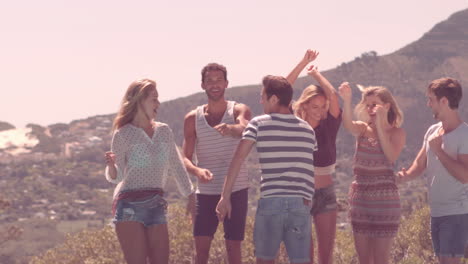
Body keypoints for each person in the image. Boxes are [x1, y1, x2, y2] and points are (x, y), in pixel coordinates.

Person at [216, 75, 318, 264]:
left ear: (274, 99)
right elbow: (308, 169)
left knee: (265, 260)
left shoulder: (258, 123)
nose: (260, 100)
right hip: (300, 204)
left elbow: (238, 159)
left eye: (263, 96)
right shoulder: (308, 130)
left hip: (271, 201)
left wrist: (225, 196)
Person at [104, 79, 194, 264]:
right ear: (139, 101)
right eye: (154, 99)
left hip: (156, 205)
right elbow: (117, 177)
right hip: (128, 206)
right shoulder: (123, 134)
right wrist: (112, 167)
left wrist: (191, 196)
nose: (158, 104)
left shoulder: (164, 131)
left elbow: (177, 165)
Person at [182, 63, 252, 264]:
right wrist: (197, 171)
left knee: (233, 248)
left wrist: (232, 129)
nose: (214, 84)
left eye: (219, 80)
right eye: (210, 80)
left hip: (237, 189)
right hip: (205, 192)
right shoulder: (192, 118)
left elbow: (245, 127)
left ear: (226, 83)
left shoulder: (239, 109)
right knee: (201, 251)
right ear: (203, 85)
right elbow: (184, 158)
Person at [397, 78, 468, 264]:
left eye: (431, 99)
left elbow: (465, 176)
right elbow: (419, 164)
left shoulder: (464, 135)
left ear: (444, 101)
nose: (428, 104)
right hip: (436, 213)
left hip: (456, 214)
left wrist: (439, 151)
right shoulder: (432, 131)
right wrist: (403, 177)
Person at [338, 82, 406, 264]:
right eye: (367, 105)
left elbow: (390, 156)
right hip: (361, 199)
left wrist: (380, 126)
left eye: (374, 104)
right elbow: (347, 125)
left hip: (385, 202)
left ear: (387, 106)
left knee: (381, 259)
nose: (370, 108)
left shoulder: (397, 133)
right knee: (364, 259)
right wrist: (346, 100)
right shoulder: (362, 129)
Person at [287, 49, 341, 264]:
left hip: (326, 194)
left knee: (326, 254)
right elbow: (284, 89)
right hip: (300, 194)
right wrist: (303, 63)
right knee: (304, 254)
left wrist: (317, 74)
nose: (320, 110)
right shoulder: (294, 124)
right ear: (305, 104)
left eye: (323, 106)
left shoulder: (329, 125)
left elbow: (334, 96)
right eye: (315, 106)